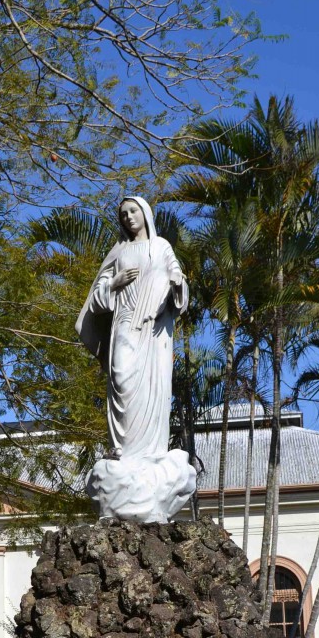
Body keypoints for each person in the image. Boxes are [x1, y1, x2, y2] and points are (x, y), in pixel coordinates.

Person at [75, 197, 196, 522]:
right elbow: (97, 299)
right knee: (121, 378)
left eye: (133, 211)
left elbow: (179, 286)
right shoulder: (117, 252)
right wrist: (113, 284)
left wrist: (175, 286)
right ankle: (124, 451)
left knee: (152, 392)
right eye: (123, 214)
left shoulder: (161, 247)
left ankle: (150, 454)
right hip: (125, 325)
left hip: (155, 333)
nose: (129, 217)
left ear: (145, 214)